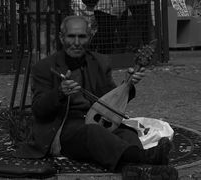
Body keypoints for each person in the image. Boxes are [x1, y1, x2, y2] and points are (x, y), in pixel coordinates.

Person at [15, 15, 178, 179]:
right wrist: (59, 92)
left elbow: (111, 102)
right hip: (63, 129)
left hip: (99, 120)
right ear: (61, 38)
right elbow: (38, 110)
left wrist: (128, 85)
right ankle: (148, 159)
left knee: (127, 134)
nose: (77, 43)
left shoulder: (99, 62)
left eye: (82, 36)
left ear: (90, 37)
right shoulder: (44, 67)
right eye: (71, 36)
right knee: (92, 132)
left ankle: (134, 170)